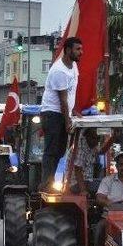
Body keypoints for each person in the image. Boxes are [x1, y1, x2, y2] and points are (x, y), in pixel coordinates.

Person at [40, 36, 83, 189]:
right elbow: (63, 99)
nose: (81, 52)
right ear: (68, 50)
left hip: (63, 113)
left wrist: (74, 111)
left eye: (81, 49)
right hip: (52, 114)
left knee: (60, 151)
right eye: (78, 49)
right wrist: (67, 122)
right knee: (51, 151)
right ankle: (46, 184)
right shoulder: (59, 71)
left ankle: (51, 182)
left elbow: (71, 95)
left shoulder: (73, 66)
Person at [70, 128, 100, 196]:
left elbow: (101, 151)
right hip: (76, 184)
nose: (96, 141)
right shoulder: (80, 148)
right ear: (87, 136)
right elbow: (78, 169)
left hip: (87, 181)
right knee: (108, 185)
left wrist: (113, 138)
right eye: (94, 138)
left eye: (98, 138)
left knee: (106, 182)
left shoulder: (91, 146)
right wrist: (83, 190)